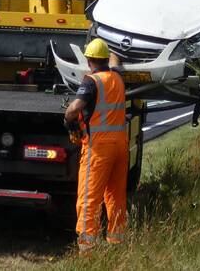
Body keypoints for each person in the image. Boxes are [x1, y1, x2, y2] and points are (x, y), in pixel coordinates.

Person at [63, 38, 128, 252]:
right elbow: (116, 61)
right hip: (120, 145)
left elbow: (75, 109)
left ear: (89, 60)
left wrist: (67, 117)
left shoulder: (91, 82)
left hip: (99, 149)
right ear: (104, 59)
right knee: (115, 195)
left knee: (89, 197)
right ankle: (116, 242)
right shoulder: (117, 77)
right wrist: (111, 45)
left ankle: (87, 247)